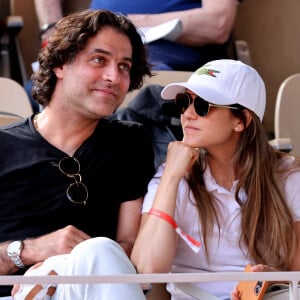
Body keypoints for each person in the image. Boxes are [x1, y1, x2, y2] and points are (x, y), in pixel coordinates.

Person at [0, 9, 154, 299]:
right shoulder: (4, 147)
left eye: (124, 66)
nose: (114, 77)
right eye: (99, 60)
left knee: (99, 249)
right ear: (60, 63)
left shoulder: (130, 141)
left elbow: (127, 244)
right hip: (16, 293)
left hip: (91, 289)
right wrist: (32, 250)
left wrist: (61, 266)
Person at [130, 59, 300, 300]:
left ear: (241, 120)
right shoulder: (170, 175)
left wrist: (275, 277)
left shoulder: (288, 176)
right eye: (184, 102)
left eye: (202, 106)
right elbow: (147, 269)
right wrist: (171, 176)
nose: (187, 114)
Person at [25, 0, 241, 112]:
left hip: (164, 62)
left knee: (144, 95)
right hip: (92, 50)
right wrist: (52, 28)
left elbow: (218, 24)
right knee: (28, 93)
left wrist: (127, 23)